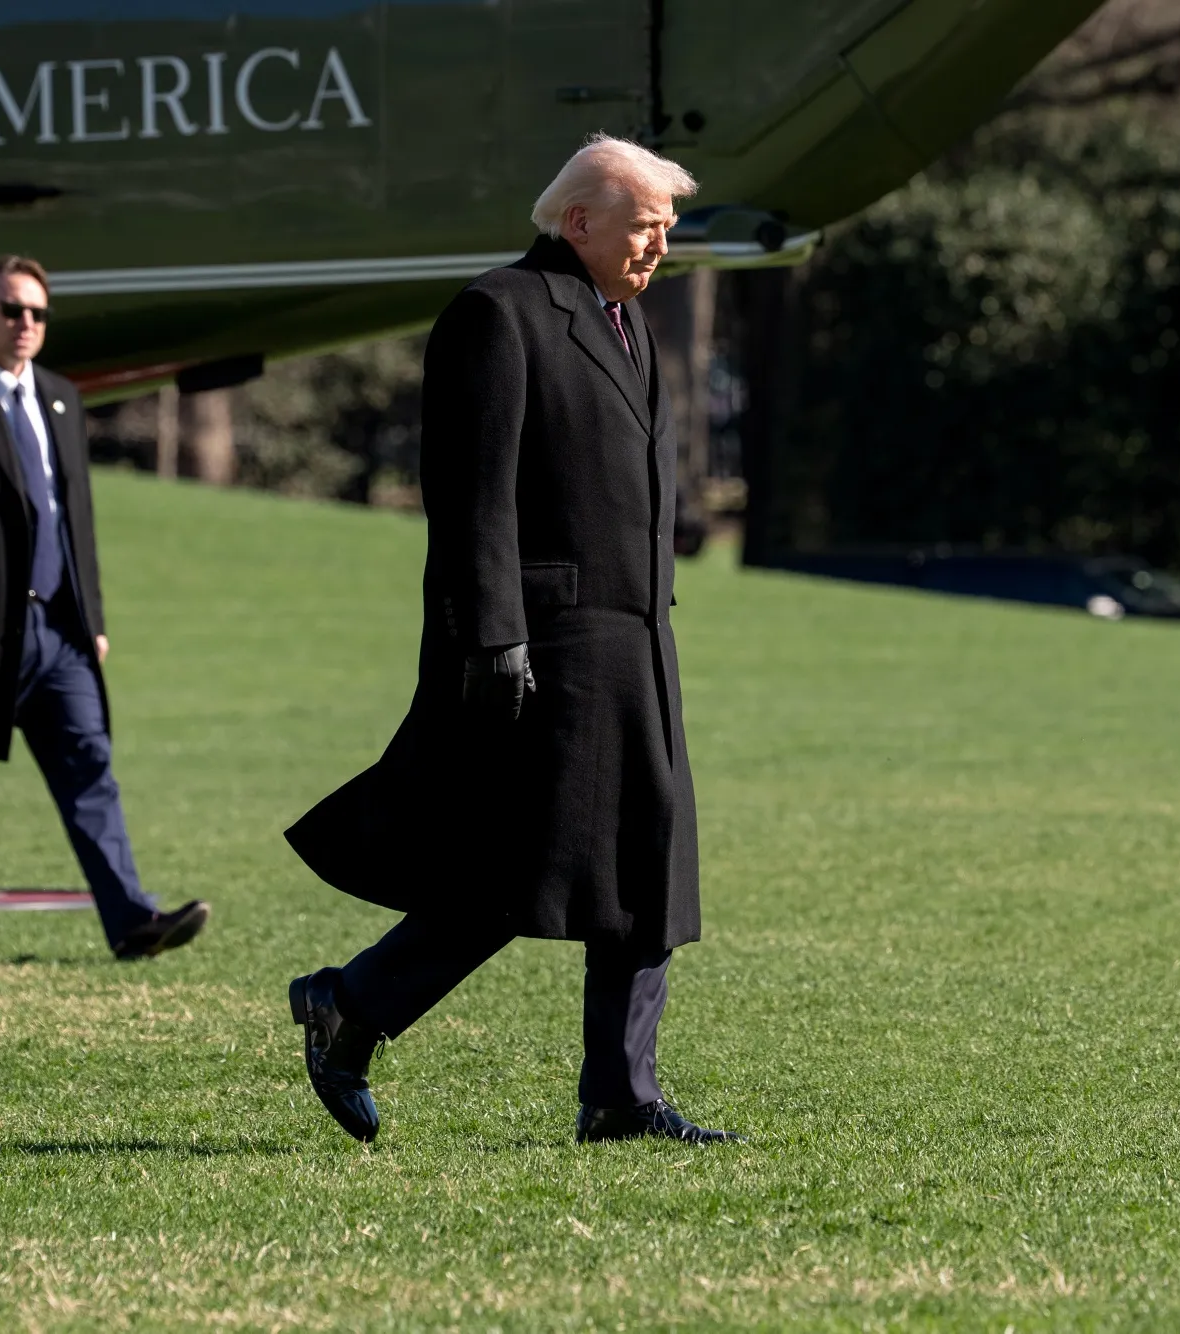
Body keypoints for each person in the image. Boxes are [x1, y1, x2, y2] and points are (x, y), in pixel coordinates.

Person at [283, 136, 738, 1144]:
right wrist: (492, 638)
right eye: (642, 226)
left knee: (644, 868)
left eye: (667, 229)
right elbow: (470, 498)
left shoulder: (631, 321)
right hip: (544, 645)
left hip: (638, 641)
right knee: (514, 869)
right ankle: (348, 1004)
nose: (657, 246)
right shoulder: (498, 312)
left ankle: (621, 1093)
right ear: (576, 220)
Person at [0, 255, 210, 963]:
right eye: (11, 309)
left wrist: (91, 617)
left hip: (59, 633)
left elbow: (72, 518)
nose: (25, 323)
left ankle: (132, 923)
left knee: (90, 766)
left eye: (37, 313)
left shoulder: (60, 396)